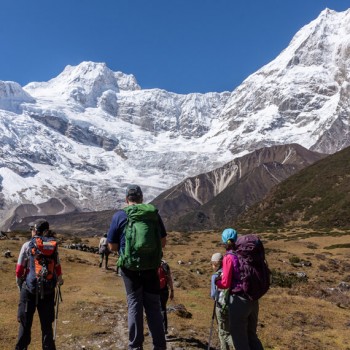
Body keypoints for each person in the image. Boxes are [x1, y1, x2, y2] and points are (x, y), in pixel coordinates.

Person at [107, 184, 167, 350]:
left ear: (126, 199)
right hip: (151, 267)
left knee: (134, 306)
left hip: (130, 269)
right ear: (141, 199)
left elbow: (111, 246)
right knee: (154, 307)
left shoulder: (119, 216)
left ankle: (135, 347)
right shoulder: (153, 214)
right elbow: (163, 242)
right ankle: (160, 346)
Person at [15, 219, 63, 350]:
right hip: (48, 290)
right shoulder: (53, 246)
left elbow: (19, 269)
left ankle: (21, 347)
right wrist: (59, 279)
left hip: (29, 290)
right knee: (47, 325)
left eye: (32, 229)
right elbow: (57, 266)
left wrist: (19, 283)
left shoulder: (27, 245)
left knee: (25, 324)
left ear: (35, 230)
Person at [216, 228, 264, 350]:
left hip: (238, 301)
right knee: (252, 336)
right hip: (253, 298)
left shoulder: (228, 257)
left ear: (223, 240)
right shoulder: (245, 254)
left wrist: (217, 282)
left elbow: (225, 283)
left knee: (239, 339)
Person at [210, 252, 234, 350]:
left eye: (212, 264)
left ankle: (239, 345)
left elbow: (213, 295)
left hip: (220, 306)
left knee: (224, 332)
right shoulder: (229, 273)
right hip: (231, 305)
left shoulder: (215, 276)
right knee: (224, 330)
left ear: (216, 264)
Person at [158, 254, 174, 335]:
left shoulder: (152, 263)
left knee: (154, 310)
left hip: (154, 291)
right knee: (163, 309)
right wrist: (172, 290)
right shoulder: (165, 265)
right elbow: (169, 279)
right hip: (164, 290)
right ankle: (164, 329)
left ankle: (156, 329)